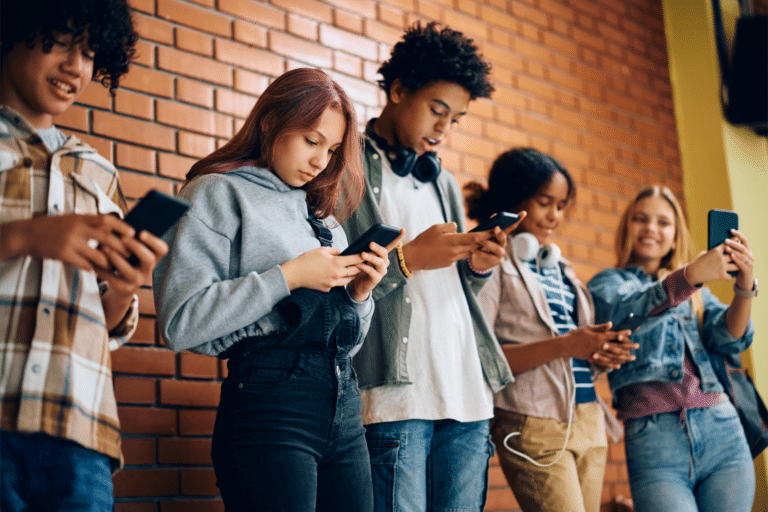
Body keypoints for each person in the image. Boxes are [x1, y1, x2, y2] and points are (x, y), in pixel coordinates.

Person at [153, 68, 398, 512]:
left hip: (343, 403)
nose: (321, 161)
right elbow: (180, 322)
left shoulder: (324, 220)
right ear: (270, 124)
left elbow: (349, 342)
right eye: (311, 140)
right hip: (270, 406)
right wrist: (289, 276)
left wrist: (360, 295)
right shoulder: (216, 193)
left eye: (332, 149)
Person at [341, 22, 517, 512]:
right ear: (398, 91)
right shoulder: (345, 167)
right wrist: (409, 259)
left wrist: (477, 268)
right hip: (396, 398)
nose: (443, 129)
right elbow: (341, 287)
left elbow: (454, 289)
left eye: (455, 119)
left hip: (466, 393)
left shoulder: (443, 182)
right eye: (437, 111)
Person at [0, 1, 169, 510]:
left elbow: (109, 321)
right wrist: (24, 237)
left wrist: (125, 286)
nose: (77, 66)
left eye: (92, 52)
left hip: (81, 437)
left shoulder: (100, 173)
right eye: (61, 40)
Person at [466, 148, 636, 512]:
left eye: (561, 206)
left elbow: (574, 350)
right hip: (533, 423)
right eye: (545, 203)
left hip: (588, 419)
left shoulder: (561, 268)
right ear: (514, 199)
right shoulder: (490, 263)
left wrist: (601, 352)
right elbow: (482, 359)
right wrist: (565, 346)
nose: (555, 216)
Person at [587, 186, 756, 512]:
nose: (651, 228)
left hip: (722, 430)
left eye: (663, 222)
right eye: (641, 219)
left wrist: (744, 287)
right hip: (654, 441)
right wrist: (689, 276)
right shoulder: (607, 283)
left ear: (676, 236)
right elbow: (625, 314)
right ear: (627, 227)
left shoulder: (696, 291)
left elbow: (729, 338)